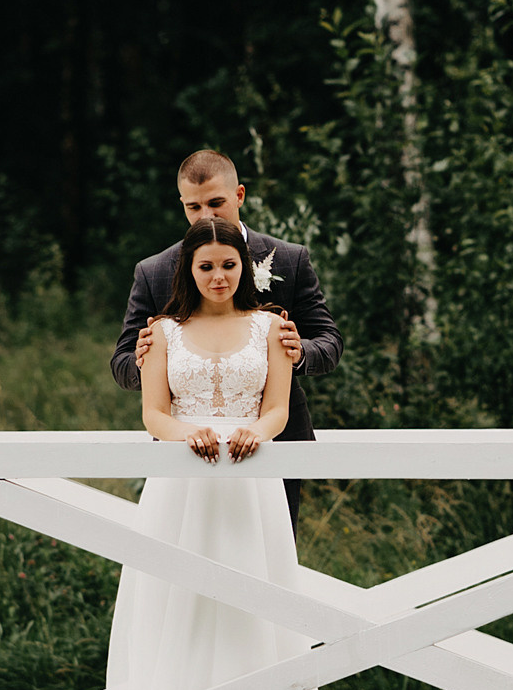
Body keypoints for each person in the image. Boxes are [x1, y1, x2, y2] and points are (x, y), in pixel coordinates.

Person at [96, 214, 331, 690]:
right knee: (181, 608)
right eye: (207, 267)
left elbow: (278, 407)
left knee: (256, 608)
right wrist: (186, 434)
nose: (219, 276)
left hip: (251, 488)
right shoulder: (164, 334)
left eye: (229, 265)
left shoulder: (272, 328)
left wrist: (258, 431)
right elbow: (154, 413)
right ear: (189, 270)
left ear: (243, 268)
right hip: (184, 485)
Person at [112, 150, 341, 542]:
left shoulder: (289, 259)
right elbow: (121, 363)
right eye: (193, 206)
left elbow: (330, 341)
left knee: (268, 552)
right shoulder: (154, 271)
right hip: (183, 448)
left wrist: (298, 352)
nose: (206, 217)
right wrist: (148, 358)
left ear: (239, 195)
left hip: (273, 442)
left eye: (216, 203)